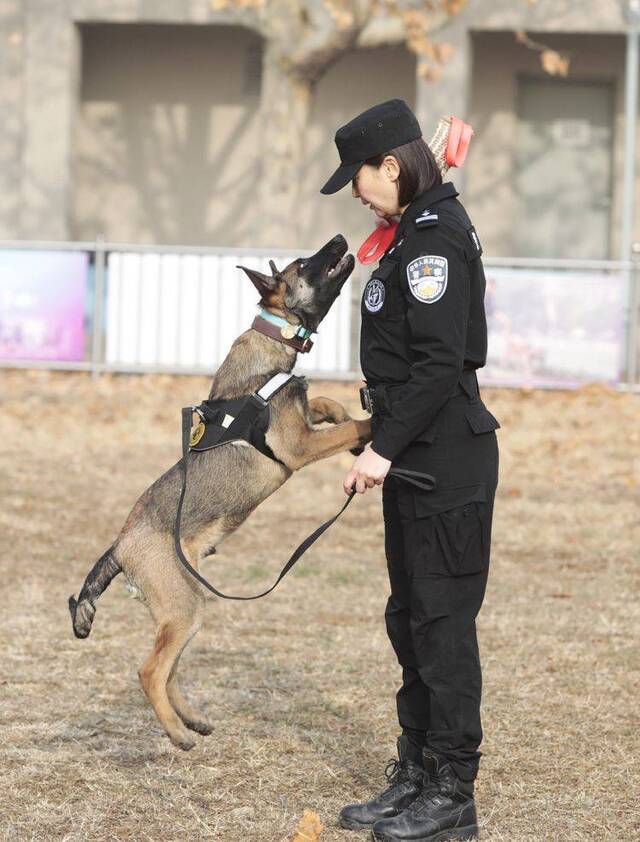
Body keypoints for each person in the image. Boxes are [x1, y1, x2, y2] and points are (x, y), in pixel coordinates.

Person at [320, 99, 500, 842]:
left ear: (390, 166)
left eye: (359, 179)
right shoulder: (407, 234)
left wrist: (382, 450)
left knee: (442, 625)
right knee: (411, 619)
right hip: (415, 451)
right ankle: (417, 771)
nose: (357, 193)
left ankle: (452, 790)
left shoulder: (434, 239)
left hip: (442, 454)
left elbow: (436, 365)